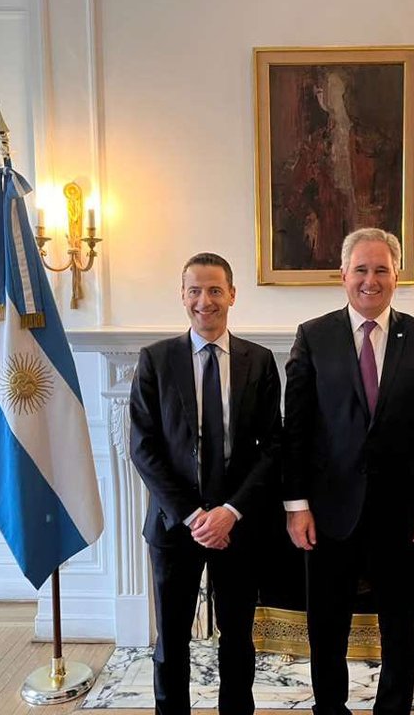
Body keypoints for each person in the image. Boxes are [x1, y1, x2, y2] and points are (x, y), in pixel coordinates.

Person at [283, 228, 414, 714]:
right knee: (327, 624)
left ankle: (393, 709)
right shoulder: (313, 336)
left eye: (381, 269)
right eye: (361, 269)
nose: (370, 280)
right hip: (328, 510)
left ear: (397, 276)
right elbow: (295, 429)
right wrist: (296, 505)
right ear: (343, 275)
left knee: (401, 625)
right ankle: (329, 708)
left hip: (402, 511)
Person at [129, 252, 282, 715]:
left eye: (215, 290)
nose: (205, 300)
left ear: (232, 295)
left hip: (238, 525)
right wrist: (195, 516)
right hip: (175, 525)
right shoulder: (156, 360)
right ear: (182, 296)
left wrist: (229, 512)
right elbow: (143, 448)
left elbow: (273, 447)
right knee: (171, 640)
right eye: (194, 290)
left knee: (237, 637)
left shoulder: (260, 361)